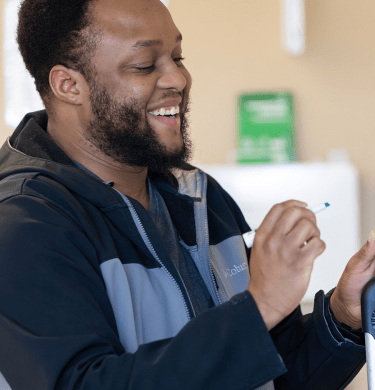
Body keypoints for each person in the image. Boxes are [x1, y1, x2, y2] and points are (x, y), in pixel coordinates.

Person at [0, 0, 372, 389]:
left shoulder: (197, 194)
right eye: (145, 65)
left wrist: (344, 316)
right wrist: (259, 307)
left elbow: (269, 374)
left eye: (178, 56)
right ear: (68, 85)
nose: (178, 79)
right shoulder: (24, 224)